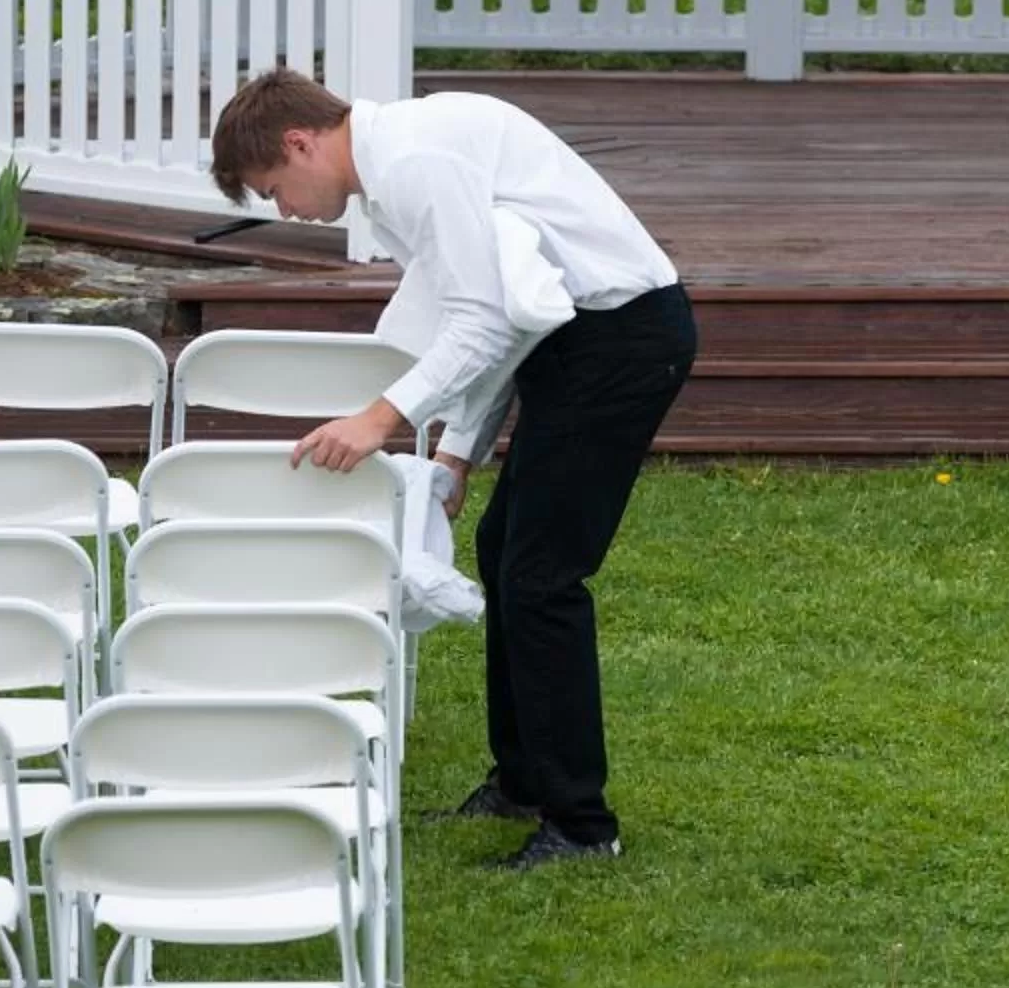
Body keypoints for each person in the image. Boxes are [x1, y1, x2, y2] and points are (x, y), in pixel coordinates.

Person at [211, 68, 696, 870]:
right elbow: (505, 315)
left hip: (623, 339)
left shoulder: (412, 162)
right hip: (571, 342)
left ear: (300, 143)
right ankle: (524, 781)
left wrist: (380, 419)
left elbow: (485, 321)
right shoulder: (396, 166)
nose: (286, 210)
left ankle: (582, 827)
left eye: (275, 190)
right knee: (506, 551)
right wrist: (456, 451)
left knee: (541, 577)